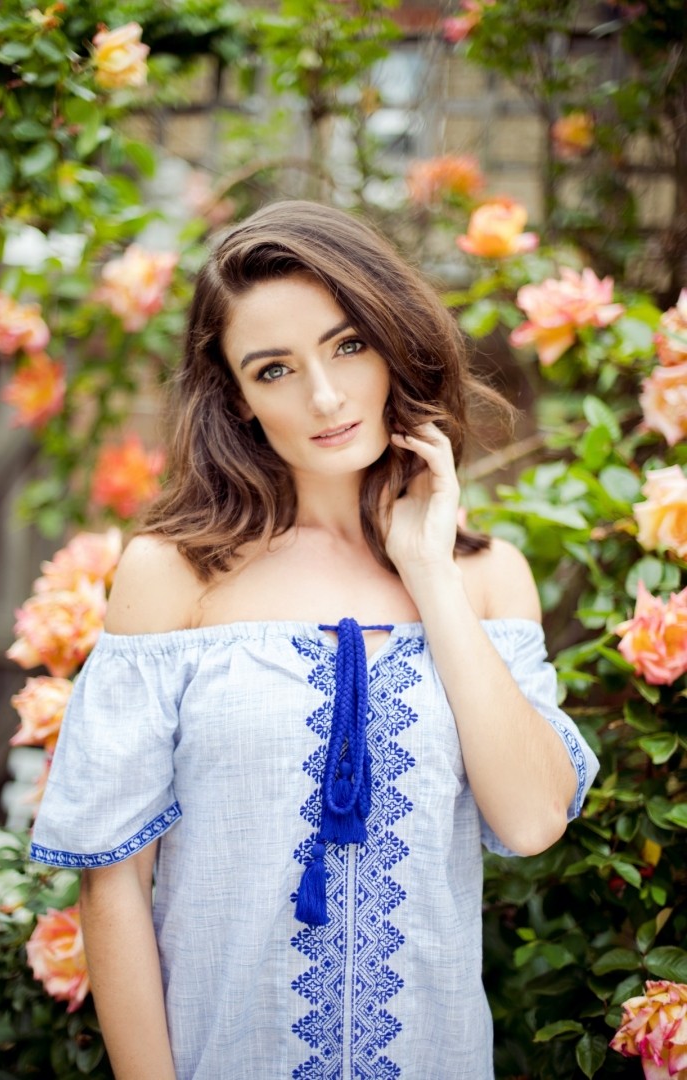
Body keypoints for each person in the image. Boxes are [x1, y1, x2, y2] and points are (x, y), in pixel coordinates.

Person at [30, 199, 599, 1080]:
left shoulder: (487, 579)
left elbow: (529, 821)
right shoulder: (174, 577)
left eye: (348, 345)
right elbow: (116, 885)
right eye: (275, 369)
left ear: (394, 342)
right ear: (238, 397)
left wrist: (429, 573)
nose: (325, 397)